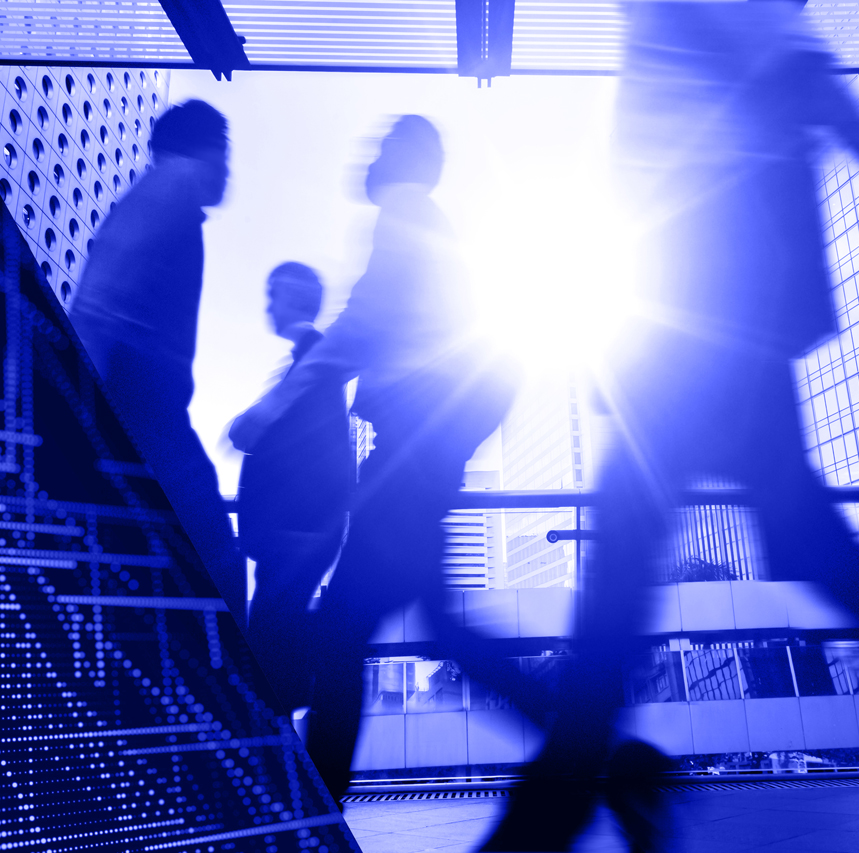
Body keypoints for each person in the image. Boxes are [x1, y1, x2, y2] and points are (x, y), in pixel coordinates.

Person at [478, 2, 859, 851]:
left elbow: (805, 77)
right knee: (779, 550)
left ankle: (547, 813)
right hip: (693, 299)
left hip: (705, 300)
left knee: (642, 565)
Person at [230, 115, 537, 803]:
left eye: (379, 145)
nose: (366, 156)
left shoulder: (404, 215)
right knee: (439, 634)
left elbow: (359, 329)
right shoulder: (427, 224)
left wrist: (267, 410)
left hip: (406, 465)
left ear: (399, 159)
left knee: (342, 640)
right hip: (419, 463)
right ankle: (578, 732)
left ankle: (312, 808)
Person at [68, 99, 246, 620]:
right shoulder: (171, 184)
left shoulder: (168, 195)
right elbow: (97, 305)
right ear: (207, 149)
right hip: (139, 405)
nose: (229, 168)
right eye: (227, 151)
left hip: (144, 405)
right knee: (216, 563)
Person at [235, 262, 355, 712]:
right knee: (273, 657)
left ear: (297, 297)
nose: (269, 303)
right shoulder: (306, 359)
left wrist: (252, 427)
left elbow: (314, 447)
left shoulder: (312, 356)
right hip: (293, 532)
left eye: (275, 293)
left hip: (295, 532)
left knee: (268, 656)